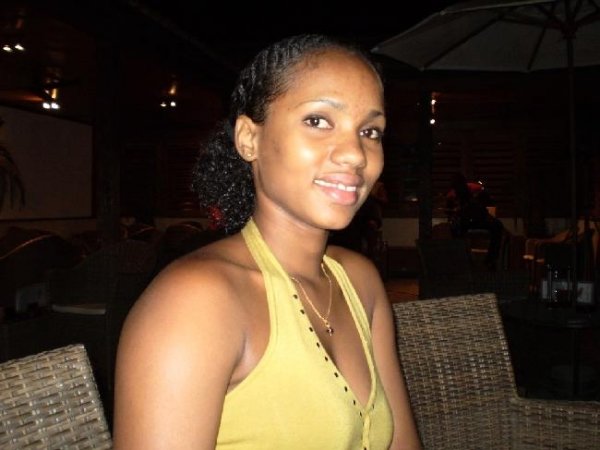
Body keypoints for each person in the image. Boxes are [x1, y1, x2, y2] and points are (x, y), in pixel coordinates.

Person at [113, 34, 421, 450]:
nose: (355, 154)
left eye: (370, 131)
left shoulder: (360, 281)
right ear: (248, 139)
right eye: (318, 121)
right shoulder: (195, 302)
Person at [446, 172, 504, 270]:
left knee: (497, 225)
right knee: (497, 225)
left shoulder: (467, 192)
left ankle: (486, 260)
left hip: (471, 220)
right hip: (470, 220)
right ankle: (489, 260)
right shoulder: (460, 193)